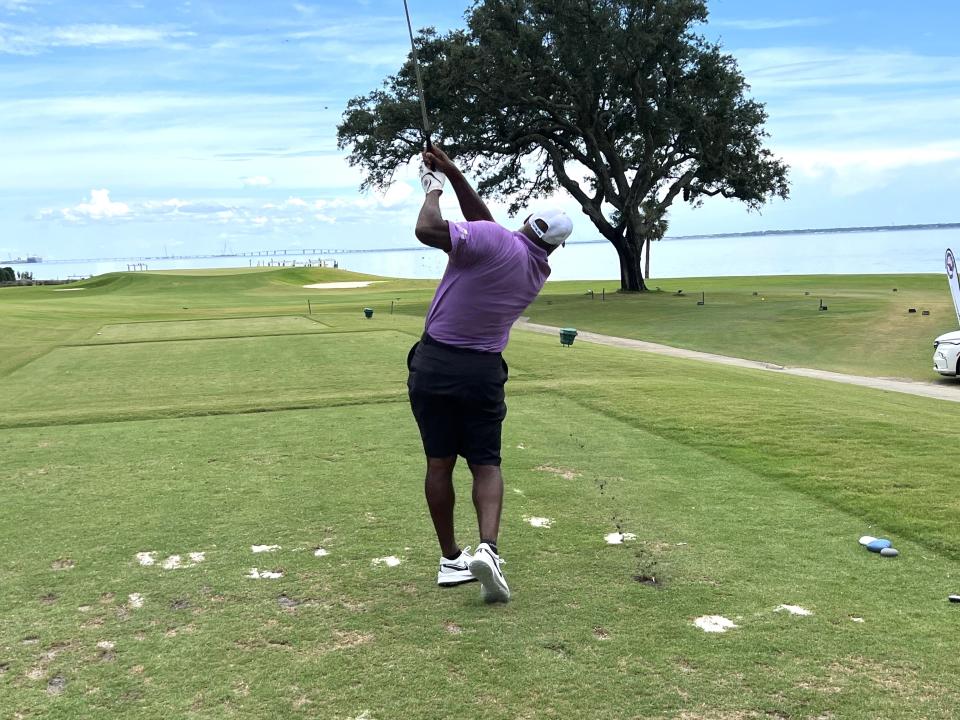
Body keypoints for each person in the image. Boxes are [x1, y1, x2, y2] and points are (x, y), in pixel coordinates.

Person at [406, 145, 572, 603]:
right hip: (482, 373)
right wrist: (456, 172)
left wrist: (433, 188)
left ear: (525, 221)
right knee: (486, 464)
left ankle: (448, 560)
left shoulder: (494, 241)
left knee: (439, 464)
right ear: (556, 245)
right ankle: (489, 549)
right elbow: (488, 228)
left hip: (434, 364)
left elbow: (427, 229)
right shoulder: (537, 268)